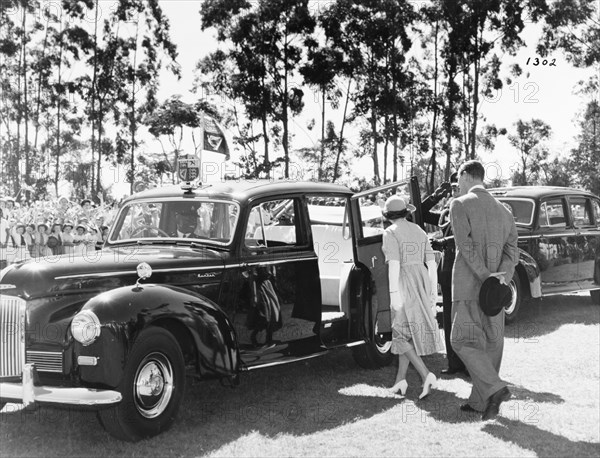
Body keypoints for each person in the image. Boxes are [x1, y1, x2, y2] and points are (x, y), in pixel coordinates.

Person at [449, 160, 518, 420]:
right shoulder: (505, 210)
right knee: (492, 343)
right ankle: (481, 402)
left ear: (467, 175)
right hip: (496, 292)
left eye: (458, 177)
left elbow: (464, 246)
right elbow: (513, 251)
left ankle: (495, 389)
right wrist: (500, 279)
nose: (457, 182)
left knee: (461, 341)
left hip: (470, 286)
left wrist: (486, 277)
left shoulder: (459, 204)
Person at [382, 195, 443, 399]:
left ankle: (426, 375)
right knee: (406, 334)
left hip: (404, 281)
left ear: (389, 215)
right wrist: (433, 291)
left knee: (399, 334)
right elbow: (432, 263)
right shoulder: (418, 229)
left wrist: (393, 295)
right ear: (406, 212)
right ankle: (401, 380)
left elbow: (394, 265)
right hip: (422, 279)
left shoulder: (390, 232)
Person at [422, 172, 468, 376]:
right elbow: (421, 213)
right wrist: (436, 196)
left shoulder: (470, 207)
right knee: (449, 317)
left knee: (466, 317)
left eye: (458, 185)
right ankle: (454, 363)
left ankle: (469, 364)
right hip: (449, 269)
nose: (455, 190)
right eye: (453, 187)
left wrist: (444, 242)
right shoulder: (447, 212)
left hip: (466, 268)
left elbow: (468, 238)